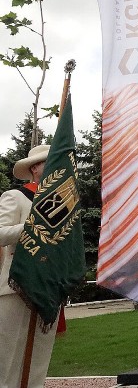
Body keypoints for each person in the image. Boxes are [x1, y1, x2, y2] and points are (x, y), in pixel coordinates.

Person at [0, 144, 54, 388]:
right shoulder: (16, 196)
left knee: (38, 363)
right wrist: (31, 227)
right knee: (9, 359)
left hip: (48, 286)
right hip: (16, 285)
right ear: (34, 168)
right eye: (48, 162)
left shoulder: (60, 203)